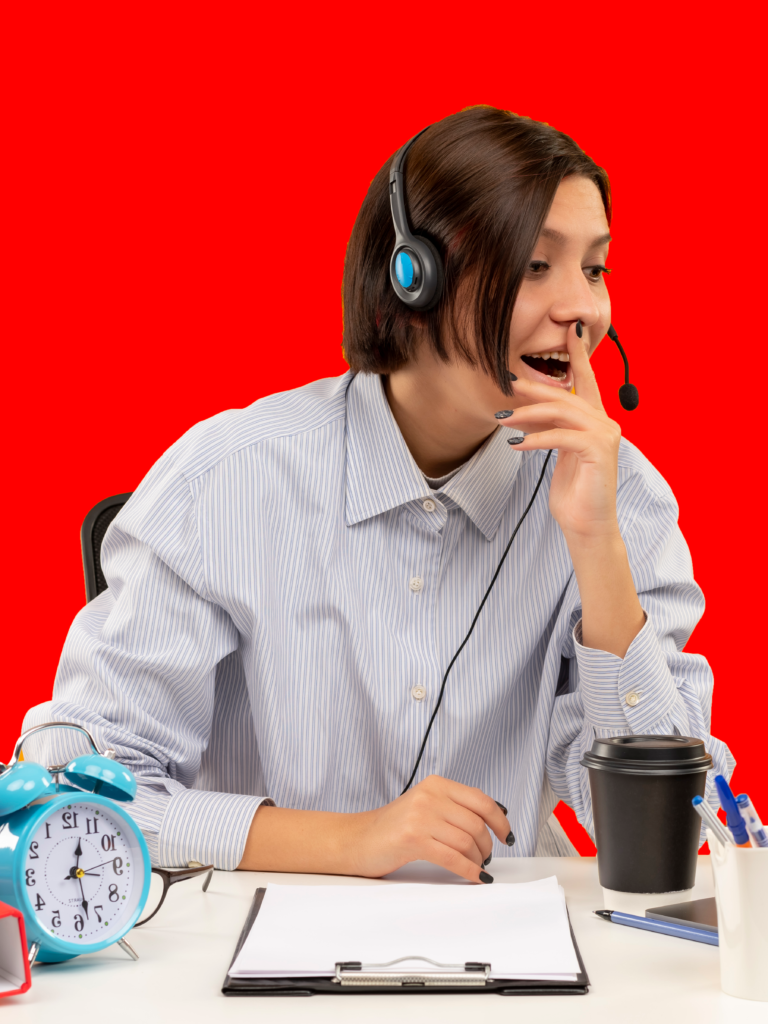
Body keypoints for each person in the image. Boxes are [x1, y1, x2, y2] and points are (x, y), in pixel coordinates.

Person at [43, 105, 733, 883]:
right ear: (414, 278)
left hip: (513, 965)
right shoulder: (225, 484)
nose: (582, 309)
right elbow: (74, 795)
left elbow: (673, 832)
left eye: (595, 268)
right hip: (250, 965)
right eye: (536, 266)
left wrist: (598, 548)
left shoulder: (617, 499)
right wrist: (349, 843)